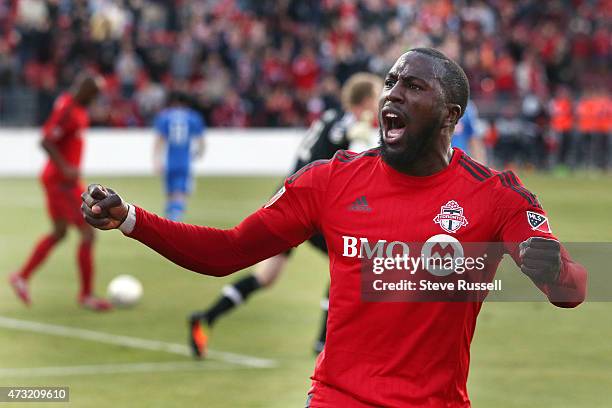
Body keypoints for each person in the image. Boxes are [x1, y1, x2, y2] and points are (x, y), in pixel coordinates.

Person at [81, 48, 587, 407]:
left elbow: (573, 289)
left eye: (413, 86)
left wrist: (555, 272)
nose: (393, 94)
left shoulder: (496, 195)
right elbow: (227, 252)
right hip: (337, 400)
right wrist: (131, 219)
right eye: (390, 82)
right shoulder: (330, 181)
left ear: (450, 114)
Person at [188, 72, 382, 358]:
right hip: (311, 204)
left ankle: (206, 317)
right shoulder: (352, 125)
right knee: (352, 259)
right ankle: (322, 345)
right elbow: (347, 160)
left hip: (288, 196)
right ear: (366, 101)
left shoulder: (330, 116)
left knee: (266, 276)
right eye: (379, 95)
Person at [9, 75, 112, 311]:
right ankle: (86, 295)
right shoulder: (68, 109)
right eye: (95, 94)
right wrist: (65, 167)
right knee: (88, 233)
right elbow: (46, 140)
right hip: (62, 183)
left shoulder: (76, 108)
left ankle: (21, 277)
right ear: (86, 90)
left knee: (59, 232)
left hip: (59, 180)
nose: (96, 100)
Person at [153, 91, 205, 221]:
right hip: (184, 161)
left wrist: (157, 159)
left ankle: (168, 220)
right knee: (181, 193)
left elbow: (159, 140)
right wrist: (199, 153)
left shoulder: (165, 117)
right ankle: (174, 221)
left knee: (170, 193)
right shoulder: (193, 117)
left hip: (170, 161)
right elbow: (201, 141)